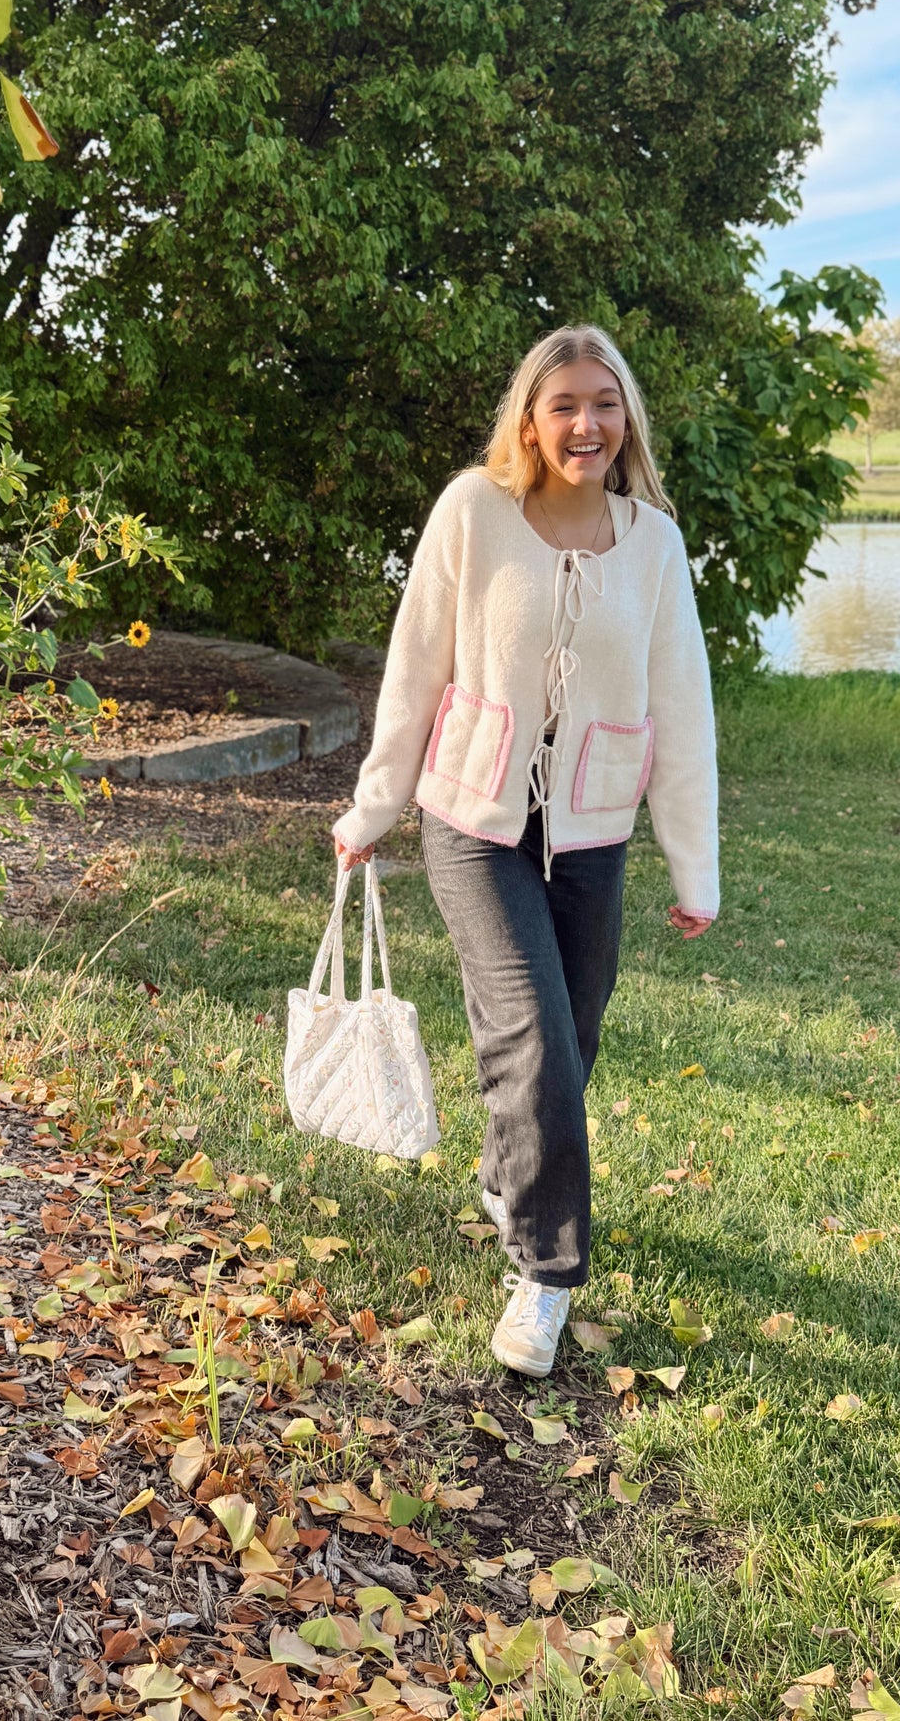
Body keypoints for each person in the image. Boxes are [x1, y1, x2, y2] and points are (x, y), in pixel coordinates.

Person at [330, 325, 719, 1378]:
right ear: (528, 417)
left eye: (604, 402)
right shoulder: (473, 512)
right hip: (471, 818)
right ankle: (544, 1274)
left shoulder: (653, 543)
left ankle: (512, 1178)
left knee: (570, 1035)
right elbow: (414, 667)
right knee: (531, 1037)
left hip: (590, 828)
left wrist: (695, 867)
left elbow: (682, 709)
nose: (585, 423)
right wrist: (374, 806)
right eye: (563, 404)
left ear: (624, 416)